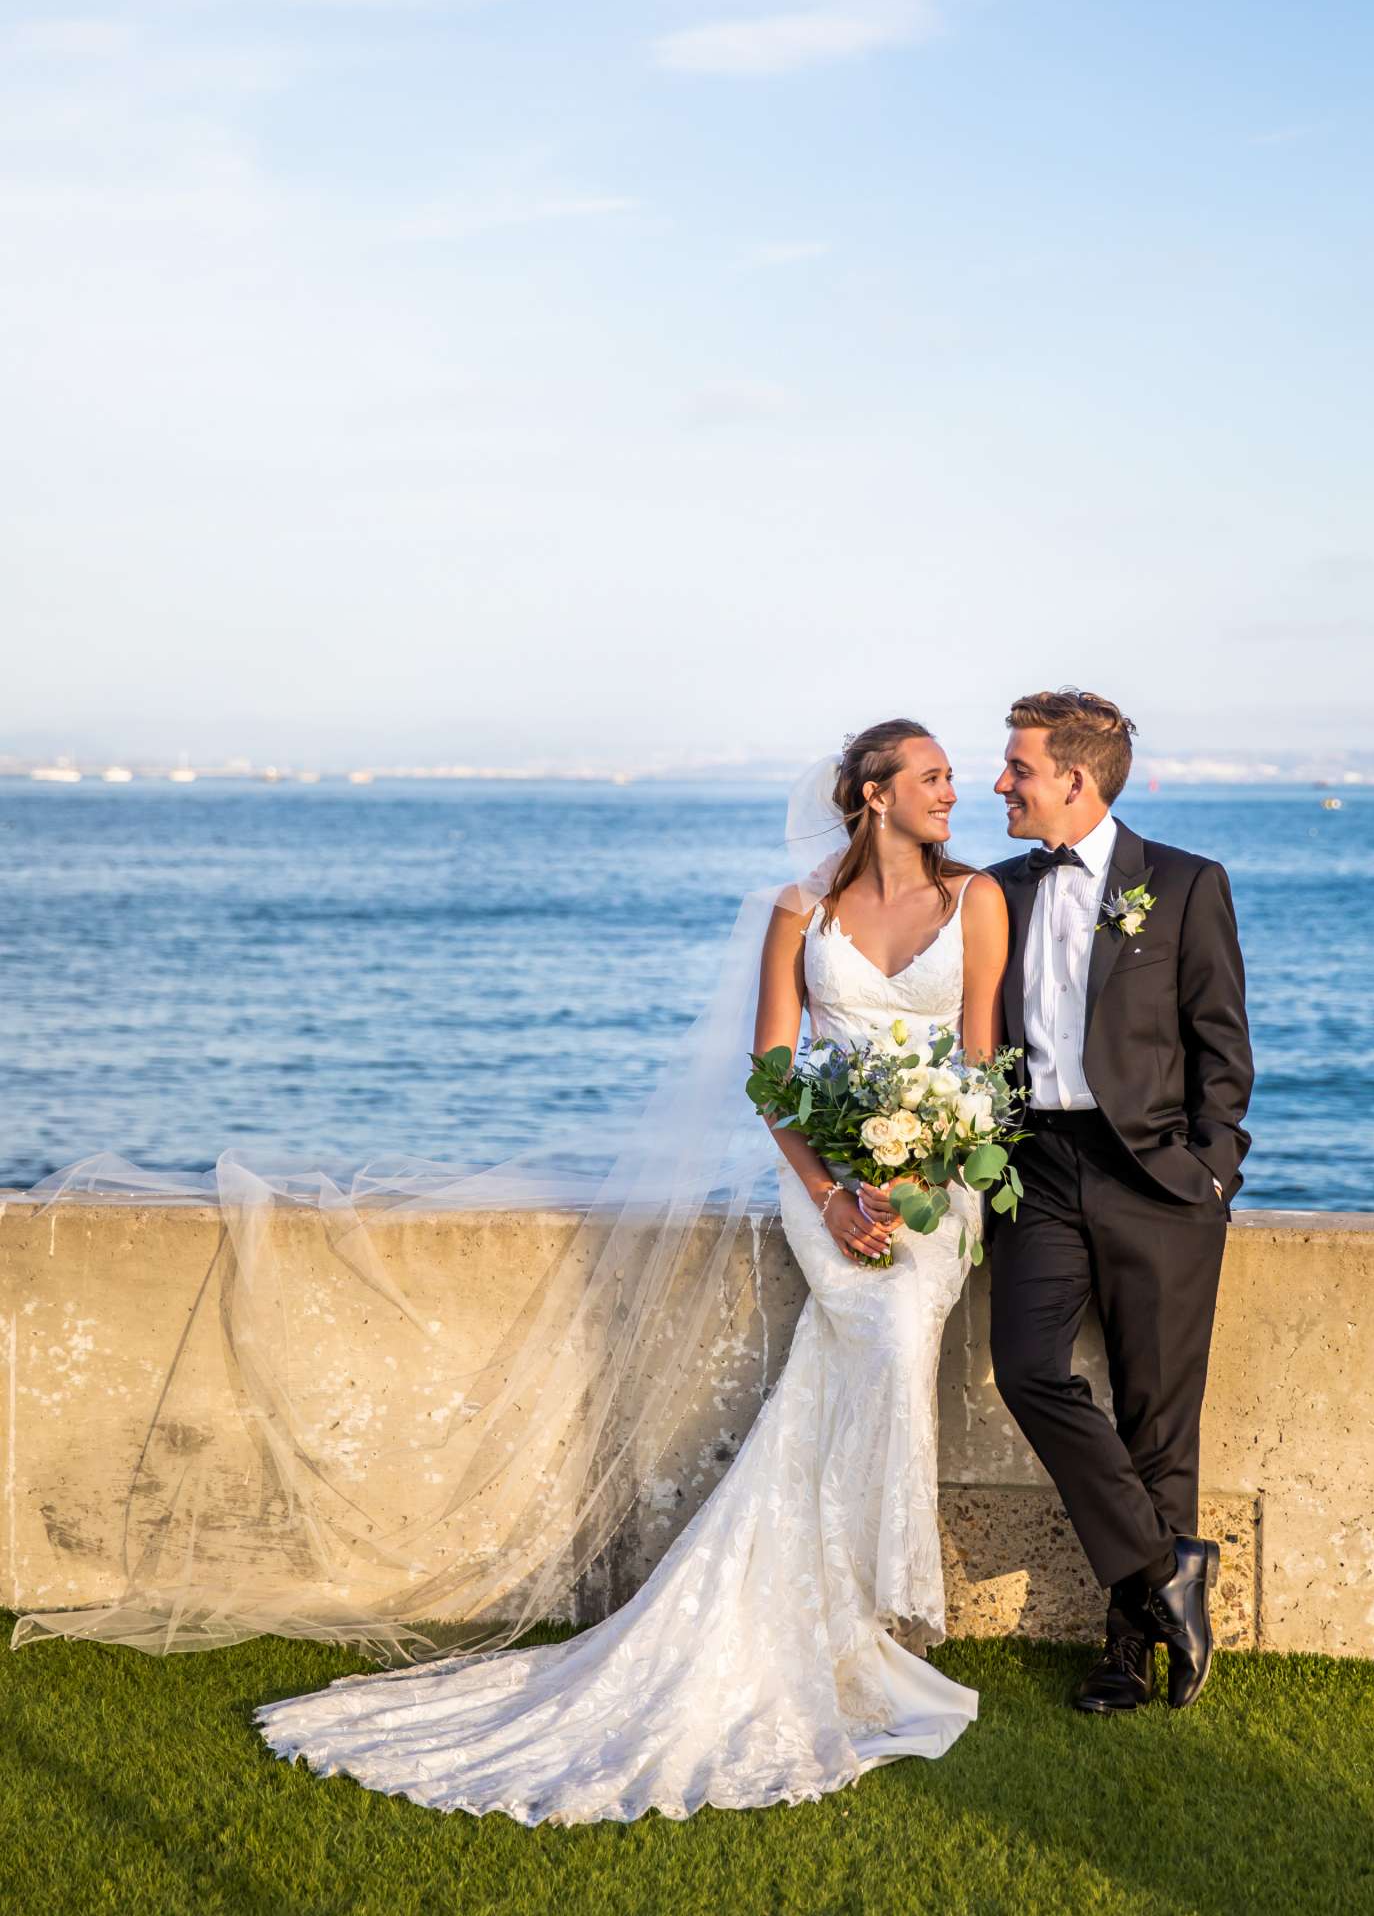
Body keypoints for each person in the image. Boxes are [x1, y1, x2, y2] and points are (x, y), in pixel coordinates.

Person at [245, 720, 1011, 1824]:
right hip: (824, 1186)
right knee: (865, 1348)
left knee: (886, 1346)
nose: (954, 792)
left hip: (937, 1183)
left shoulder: (974, 900)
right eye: (933, 777)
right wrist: (833, 1191)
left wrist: (927, 1166)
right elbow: (770, 1072)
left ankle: (850, 1616)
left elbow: (982, 1064)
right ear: (873, 796)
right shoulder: (797, 912)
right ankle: (847, 1619)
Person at [986, 689, 1253, 1714]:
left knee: (1157, 1419)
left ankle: (1124, 1653)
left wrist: (1211, 1172)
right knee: (1027, 1368)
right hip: (1039, 1165)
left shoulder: (1183, 885)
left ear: (1074, 779)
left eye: (1016, 767)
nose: (999, 783)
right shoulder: (994, 891)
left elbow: (1221, 1048)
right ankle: (1164, 1574)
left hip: (1158, 1178)